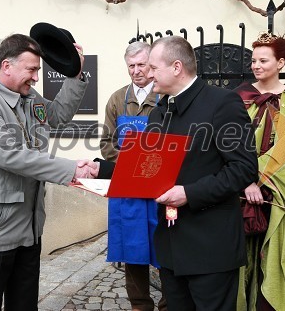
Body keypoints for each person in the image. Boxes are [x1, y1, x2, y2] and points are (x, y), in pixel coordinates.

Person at [95, 36, 258, 311]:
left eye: (153, 68)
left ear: (176, 67)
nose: (146, 74)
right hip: (171, 247)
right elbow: (146, 167)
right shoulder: (161, 112)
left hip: (210, 248)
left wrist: (189, 193)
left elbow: (243, 169)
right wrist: (101, 169)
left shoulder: (223, 103)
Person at [0, 33, 97, 311]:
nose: (35, 78)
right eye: (31, 70)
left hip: (29, 226)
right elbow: (9, 155)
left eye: (37, 71)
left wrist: (76, 75)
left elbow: (56, 116)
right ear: (7, 66)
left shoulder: (28, 97)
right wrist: (71, 169)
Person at [235, 33, 285, 311]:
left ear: (280, 62)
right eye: (253, 60)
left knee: (275, 257)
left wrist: (259, 180)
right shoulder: (239, 97)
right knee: (239, 260)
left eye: (263, 60)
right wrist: (244, 181)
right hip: (239, 190)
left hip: (277, 194)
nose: (256, 65)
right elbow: (229, 143)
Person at [100, 41, 166, 311]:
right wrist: (132, 162)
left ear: (151, 65)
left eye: (142, 65)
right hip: (128, 188)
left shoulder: (166, 96)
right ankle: (140, 305)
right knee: (133, 249)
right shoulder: (117, 99)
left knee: (164, 247)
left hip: (161, 187)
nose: (137, 71)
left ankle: (169, 304)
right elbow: (106, 143)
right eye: (132, 66)